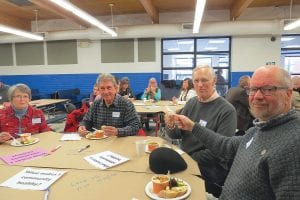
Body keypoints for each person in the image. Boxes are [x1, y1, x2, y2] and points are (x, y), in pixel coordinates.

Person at [172, 65, 300, 199]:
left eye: (268, 89)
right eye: (253, 89)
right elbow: (225, 145)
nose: (257, 96)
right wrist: (193, 127)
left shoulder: (294, 142)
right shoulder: (258, 130)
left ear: (288, 94)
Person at [165, 65, 237, 197]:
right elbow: (177, 135)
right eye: (196, 81)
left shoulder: (227, 110)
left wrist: (188, 159)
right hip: (187, 159)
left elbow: (221, 153)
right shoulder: (192, 102)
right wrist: (170, 125)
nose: (200, 85)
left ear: (214, 81)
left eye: (204, 80)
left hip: (211, 168)